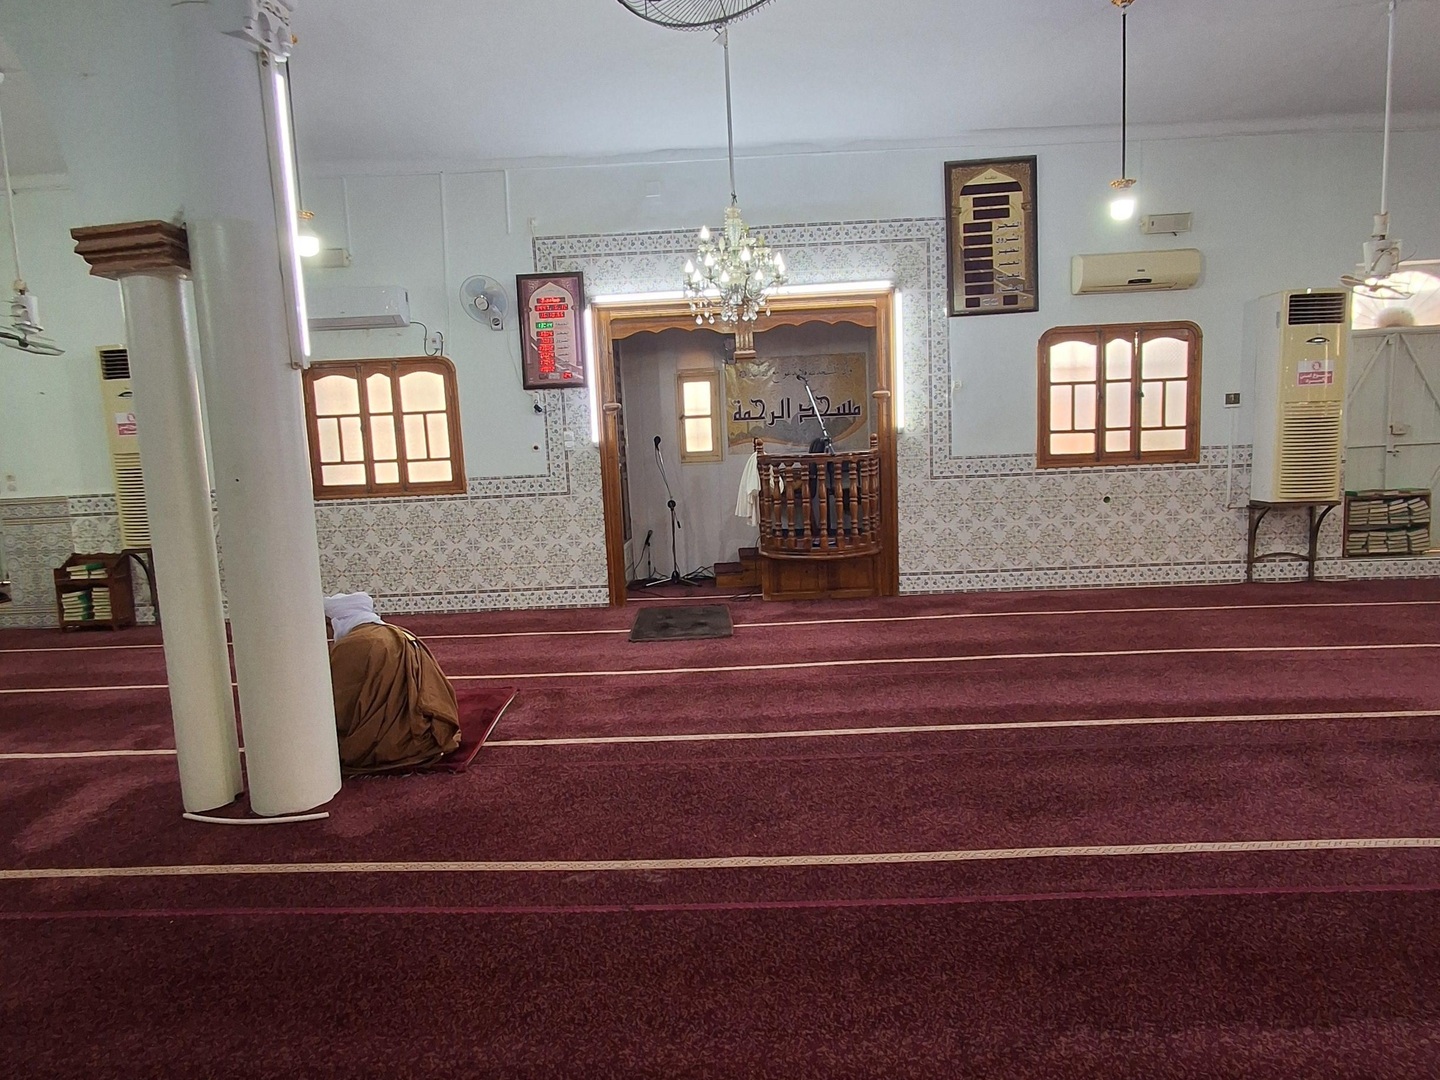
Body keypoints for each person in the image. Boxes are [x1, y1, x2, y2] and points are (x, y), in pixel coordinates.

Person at [323, 592, 462, 775]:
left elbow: (341, 701)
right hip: (430, 733)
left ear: (337, 621)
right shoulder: (400, 633)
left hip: (387, 744)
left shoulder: (352, 645)